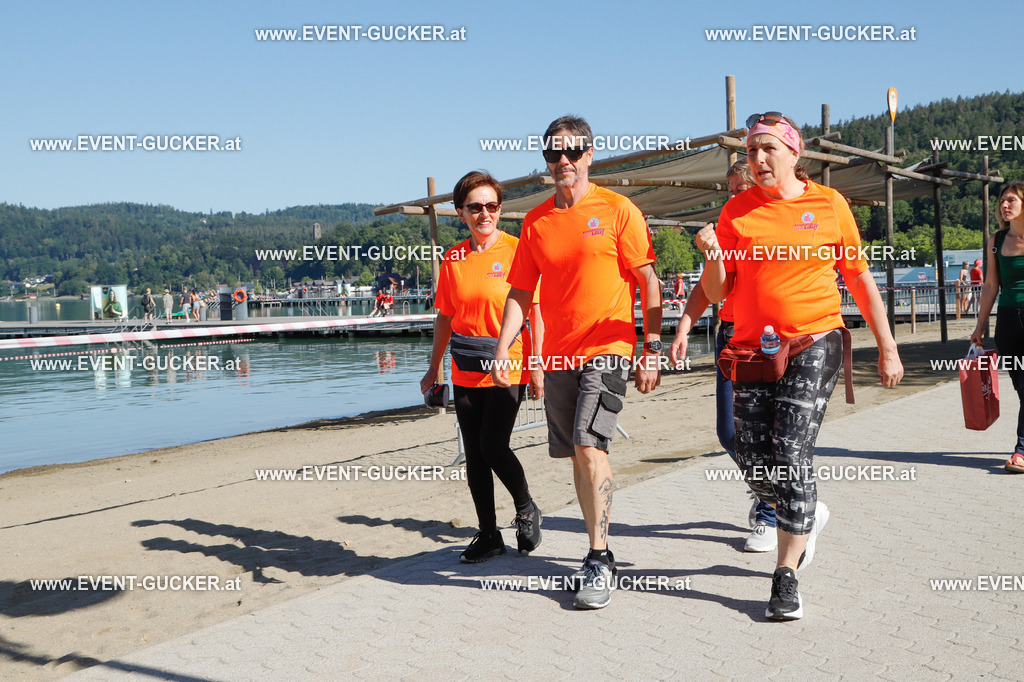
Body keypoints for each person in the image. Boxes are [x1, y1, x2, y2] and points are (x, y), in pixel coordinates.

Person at [699, 112, 903, 620]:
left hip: (815, 339)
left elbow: (857, 278)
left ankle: (785, 575)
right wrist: (712, 255)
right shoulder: (736, 212)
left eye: (769, 149)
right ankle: (805, 508)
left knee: (790, 448)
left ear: (795, 153)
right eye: (751, 152)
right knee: (749, 451)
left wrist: (888, 344)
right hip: (752, 350)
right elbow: (719, 290)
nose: (759, 159)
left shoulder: (829, 205)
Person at [492, 115, 662, 610]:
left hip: (608, 347)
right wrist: (506, 347)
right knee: (575, 453)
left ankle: (599, 556)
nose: (562, 161)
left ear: (590, 154)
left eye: (572, 151)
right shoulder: (536, 221)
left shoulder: (617, 210)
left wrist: (650, 347)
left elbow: (648, 280)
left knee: (590, 444)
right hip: (560, 353)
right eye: (553, 153)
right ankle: (595, 545)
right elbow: (522, 292)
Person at [420, 171, 545, 562]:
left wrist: (539, 362)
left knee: (493, 445)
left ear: (500, 209)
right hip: (465, 366)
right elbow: (445, 316)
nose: (484, 214)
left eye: (492, 206)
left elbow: (535, 311)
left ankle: (526, 509)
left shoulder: (517, 249)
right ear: (461, 212)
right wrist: (433, 366)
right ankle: (489, 534)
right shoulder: (453, 258)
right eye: (475, 207)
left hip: (509, 363)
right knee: (474, 454)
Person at [669, 158, 779, 553]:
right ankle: (776, 497)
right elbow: (707, 287)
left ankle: (773, 511)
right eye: (729, 190)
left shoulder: (773, 227)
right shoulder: (724, 230)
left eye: (739, 189)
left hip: (766, 340)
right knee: (729, 433)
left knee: (765, 433)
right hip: (730, 337)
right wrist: (683, 328)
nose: (731, 197)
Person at [971, 181, 1024, 473]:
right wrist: (980, 326)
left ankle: (1021, 451)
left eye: (1012, 200)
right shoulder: (996, 239)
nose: (1005, 205)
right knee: (1019, 385)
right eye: (1003, 200)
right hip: (1008, 321)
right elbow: (991, 285)